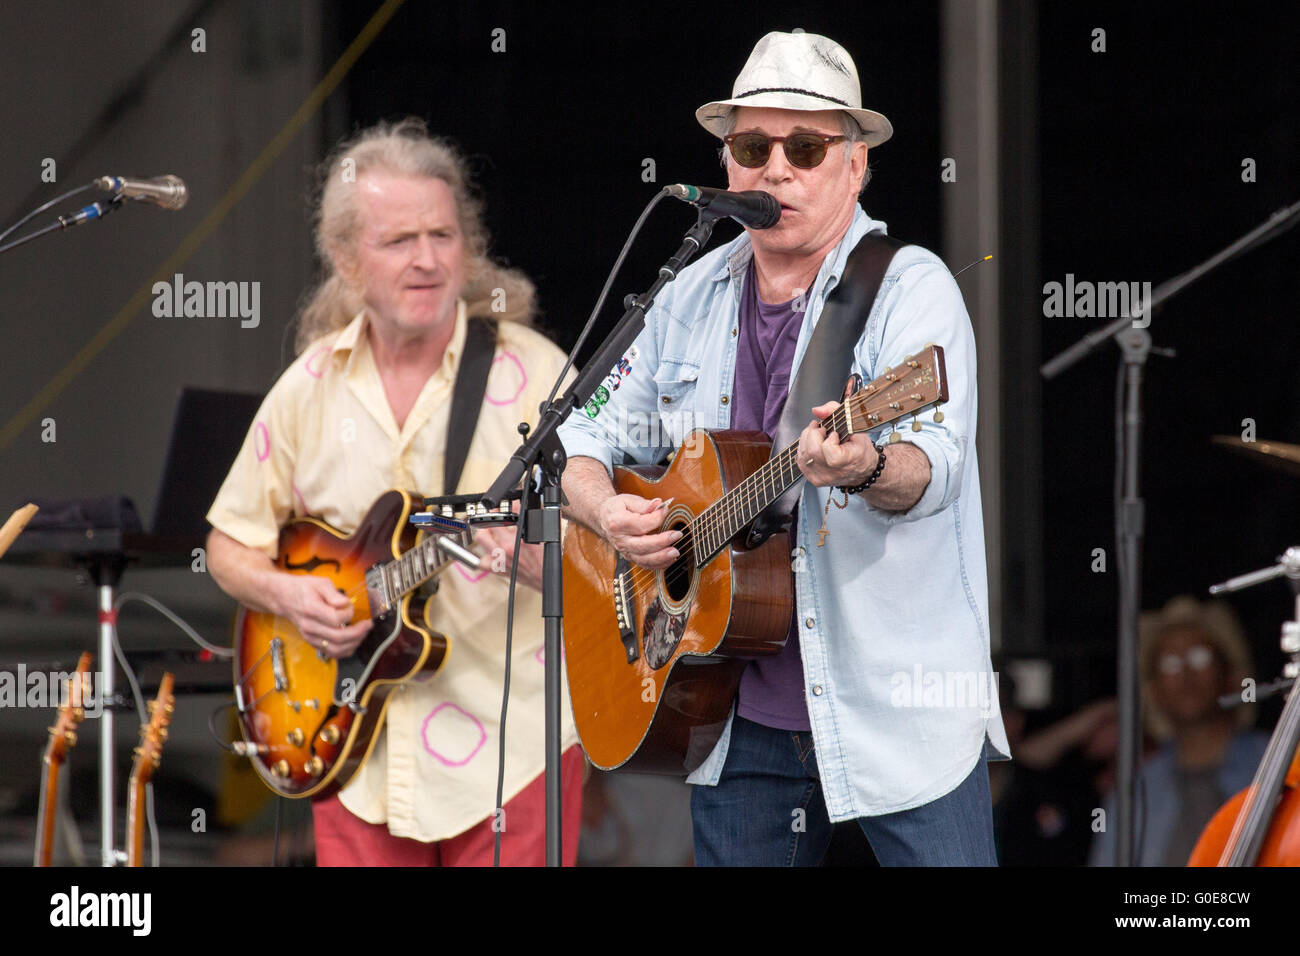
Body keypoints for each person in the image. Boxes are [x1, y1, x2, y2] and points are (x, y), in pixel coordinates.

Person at [558, 31, 1009, 866]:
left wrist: (866, 464)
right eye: (751, 146)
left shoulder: (910, 289)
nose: (776, 169)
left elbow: (935, 469)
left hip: (898, 714)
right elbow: (582, 429)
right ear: (726, 162)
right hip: (729, 711)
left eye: (805, 147)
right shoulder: (686, 290)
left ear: (855, 164)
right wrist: (605, 510)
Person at [206, 118, 582, 866]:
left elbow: (606, 551)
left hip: (511, 748)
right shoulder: (310, 384)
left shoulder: (539, 378)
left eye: (443, 236)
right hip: (350, 746)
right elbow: (226, 543)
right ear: (347, 259)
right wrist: (290, 597)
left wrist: (543, 561)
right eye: (399, 241)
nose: (427, 260)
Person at [1089, 596, 1266, 866]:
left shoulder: (1278, 764)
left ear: (1229, 674)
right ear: (1154, 691)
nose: (1185, 674)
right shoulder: (1135, 793)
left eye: (1199, 658)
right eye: (1170, 664)